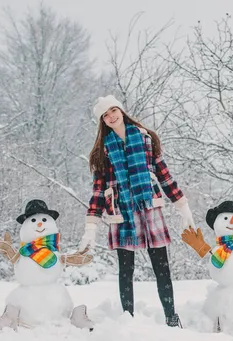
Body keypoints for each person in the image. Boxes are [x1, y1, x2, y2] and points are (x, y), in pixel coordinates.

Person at [79, 95, 194, 327]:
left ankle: (172, 317)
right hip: (121, 212)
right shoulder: (102, 151)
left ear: (121, 110)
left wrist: (184, 208)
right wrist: (90, 228)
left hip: (149, 207)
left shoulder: (146, 138)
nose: (111, 116)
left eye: (113, 110)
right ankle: (128, 320)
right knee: (125, 270)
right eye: (105, 114)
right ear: (102, 121)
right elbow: (99, 191)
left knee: (161, 266)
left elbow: (164, 174)